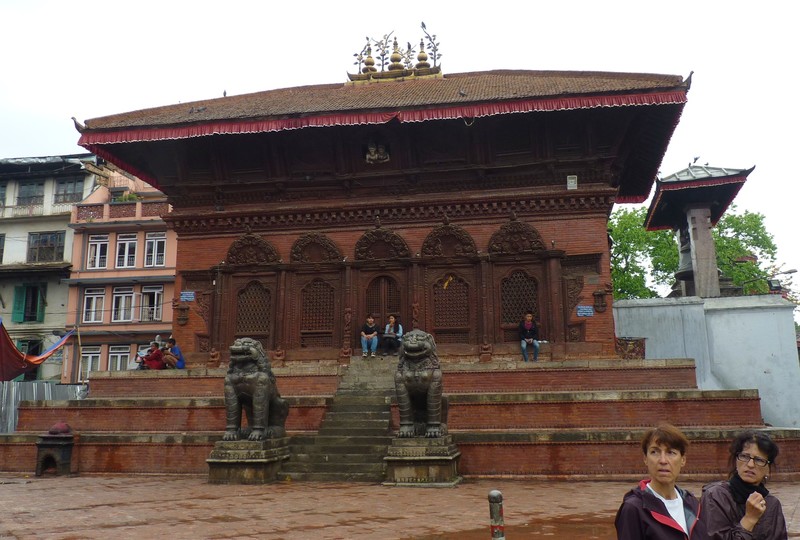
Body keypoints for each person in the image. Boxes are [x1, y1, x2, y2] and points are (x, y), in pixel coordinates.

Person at [615, 423, 706, 539]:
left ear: (683, 460)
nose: (663, 460)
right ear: (645, 459)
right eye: (655, 452)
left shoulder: (692, 504)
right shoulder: (634, 508)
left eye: (671, 452)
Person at [700, 431, 787, 539]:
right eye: (745, 456)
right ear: (736, 460)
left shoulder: (772, 504)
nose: (750, 465)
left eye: (759, 460)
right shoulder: (716, 496)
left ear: (768, 468)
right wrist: (750, 519)